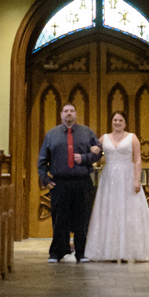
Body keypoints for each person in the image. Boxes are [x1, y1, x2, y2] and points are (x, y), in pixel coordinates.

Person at [85, 111, 149, 262]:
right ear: (112, 122)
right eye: (115, 120)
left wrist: (137, 180)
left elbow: (137, 160)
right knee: (110, 211)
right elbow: (94, 151)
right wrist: (90, 149)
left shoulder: (132, 138)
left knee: (128, 211)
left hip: (127, 177)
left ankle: (129, 250)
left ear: (125, 123)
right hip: (109, 178)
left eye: (120, 120)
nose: (117, 123)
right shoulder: (104, 138)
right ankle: (109, 251)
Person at [38, 102, 101, 263]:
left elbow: (99, 151)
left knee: (82, 219)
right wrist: (45, 180)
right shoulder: (51, 134)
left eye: (72, 111)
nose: (69, 114)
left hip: (82, 182)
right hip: (60, 183)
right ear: (61, 115)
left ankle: (81, 252)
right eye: (66, 111)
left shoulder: (87, 132)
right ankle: (57, 252)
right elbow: (42, 160)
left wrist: (85, 158)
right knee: (60, 219)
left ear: (76, 114)